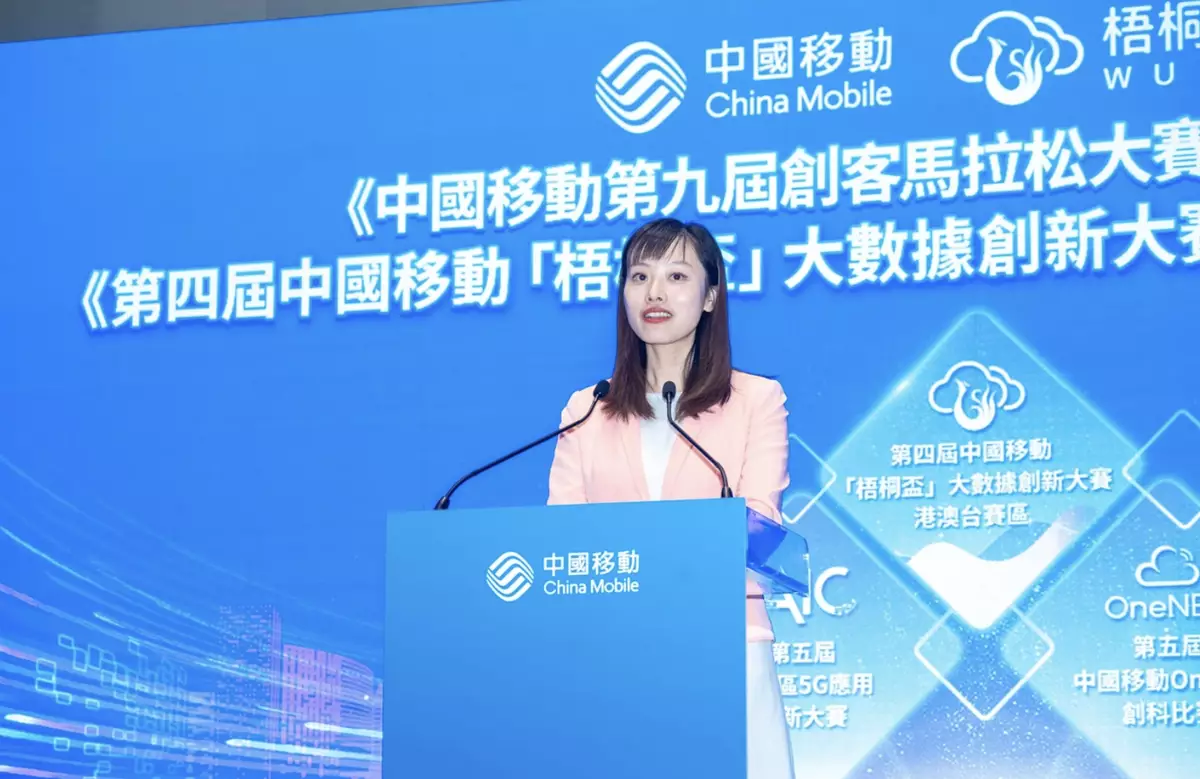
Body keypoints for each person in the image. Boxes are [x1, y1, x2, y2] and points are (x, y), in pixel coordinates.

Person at [547, 217, 795, 779]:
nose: (654, 292)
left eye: (676, 276)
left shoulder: (756, 400)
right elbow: (561, 538)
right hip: (611, 653)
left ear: (710, 297)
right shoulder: (587, 409)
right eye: (639, 276)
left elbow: (759, 526)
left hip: (725, 644)